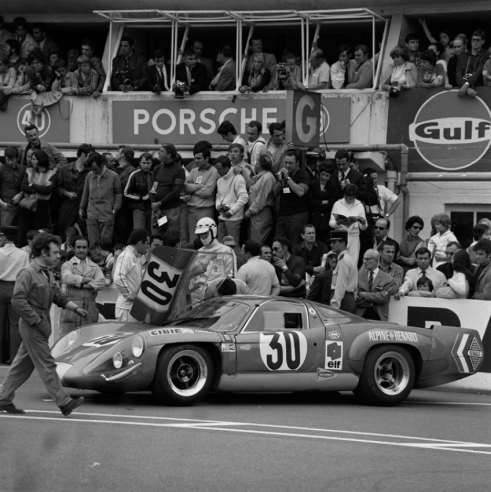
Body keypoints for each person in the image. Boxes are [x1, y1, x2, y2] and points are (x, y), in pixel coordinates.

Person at [0, 233, 87, 416]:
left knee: (21, 366)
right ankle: (63, 402)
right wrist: (36, 320)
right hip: (33, 325)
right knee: (47, 364)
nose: (58, 256)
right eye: (55, 252)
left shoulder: (46, 273)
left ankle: (3, 399)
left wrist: (75, 309)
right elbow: (18, 301)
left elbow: (58, 295)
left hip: (39, 324)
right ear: (42, 252)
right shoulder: (28, 273)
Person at [60, 235, 105, 338]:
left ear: (88, 249)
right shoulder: (67, 265)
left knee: (88, 341)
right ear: (73, 248)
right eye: (78, 247)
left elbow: (101, 283)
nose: (81, 250)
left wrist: (81, 286)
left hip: (90, 307)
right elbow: (67, 278)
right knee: (68, 341)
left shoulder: (95, 266)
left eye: (84, 247)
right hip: (71, 306)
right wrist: (89, 281)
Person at [79, 152, 122, 246]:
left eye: (95, 169)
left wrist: (115, 209)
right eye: (92, 169)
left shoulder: (114, 176)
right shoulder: (89, 175)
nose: (93, 171)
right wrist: (82, 208)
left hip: (107, 215)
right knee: (93, 244)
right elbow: (85, 193)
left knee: (105, 244)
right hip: (92, 214)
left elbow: (119, 194)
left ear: (102, 164)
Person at [0, 226, 29, 363]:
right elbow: (25, 274)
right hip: (16, 288)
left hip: (1, 287)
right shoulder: (23, 254)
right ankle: (14, 357)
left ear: (4, 237)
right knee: (15, 325)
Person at [18, 150, 57, 246]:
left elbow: (48, 190)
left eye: (34, 159)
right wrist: (40, 188)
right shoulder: (29, 171)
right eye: (31, 158)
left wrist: (32, 185)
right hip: (27, 206)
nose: (31, 161)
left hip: (42, 207)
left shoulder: (51, 173)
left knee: (40, 233)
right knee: (24, 231)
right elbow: (23, 187)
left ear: (41, 160)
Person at [56, 143, 94, 237]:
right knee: (63, 232)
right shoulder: (64, 169)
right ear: (83, 154)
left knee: (87, 234)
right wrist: (66, 193)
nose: (91, 159)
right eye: (90, 156)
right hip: (67, 205)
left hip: (84, 206)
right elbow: (57, 187)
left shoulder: (91, 171)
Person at [183, 142, 218, 243]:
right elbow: (185, 187)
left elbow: (207, 192)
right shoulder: (194, 171)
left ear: (207, 158)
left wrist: (192, 189)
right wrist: (200, 186)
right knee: (193, 241)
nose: (196, 160)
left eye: (199, 158)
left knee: (206, 241)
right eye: (195, 158)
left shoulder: (213, 171)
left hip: (205, 211)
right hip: (191, 212)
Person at [274, 150, 310, 249]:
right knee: (279, 245)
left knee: (294, 245)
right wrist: (280, 181)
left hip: (297, 215)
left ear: (297, 163)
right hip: (282, 215)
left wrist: (288, 178)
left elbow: (300, 192)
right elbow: (275, 193)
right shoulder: (284, 175)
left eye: (290, 163)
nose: (287, 165)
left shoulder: (303, 175)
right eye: (286, 163)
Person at [113, 228, 150, 322]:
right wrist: (130, 295)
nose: (148, 247)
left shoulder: (134, 256)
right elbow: (118, 277)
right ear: (140, 243)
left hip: (131, 307)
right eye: (147, 243)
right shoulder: (126, 256)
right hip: (126, 308)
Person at [150, 143, 185, 236]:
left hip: (172, 210)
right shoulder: (157, 168)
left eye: (161, 151)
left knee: (172, 237)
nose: (158, 153)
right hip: (157, 210)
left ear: (169, 155)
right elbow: (152, 189)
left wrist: (159, 203)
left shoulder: (179, 170)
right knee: (156, 236)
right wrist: (154, 204)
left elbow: (176, 192)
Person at [329, 184, 367, 265]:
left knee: (353, 262)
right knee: (338, 261)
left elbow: (363, 228)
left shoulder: (360, 205)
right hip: (339, 236)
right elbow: (331, 223)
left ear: (355, 196)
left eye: (351, 198)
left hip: (354, 236)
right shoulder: (337, 204)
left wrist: (363, 223)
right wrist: (337, 222)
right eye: (346, 197)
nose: (348, 200)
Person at [214, 155, 248, 245]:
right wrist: (218, 206)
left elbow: (244, 197)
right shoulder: (219, 180)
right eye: (216, 169)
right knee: (220, 246)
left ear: (226, 167)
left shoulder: (238, 178)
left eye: (219, 169)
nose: (217, 172)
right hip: (222, 217)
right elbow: (218, 196)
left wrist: (231, 212)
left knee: (233, 246)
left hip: (234, 219)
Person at [356, 249, 396, 321]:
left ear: (376, 260)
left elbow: (384, 297)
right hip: (360, 315)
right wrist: (374, 300)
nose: (364, 261)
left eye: (367, 259)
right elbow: (356, 297)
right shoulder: (359, 275)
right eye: (364, 259)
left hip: (379, 316)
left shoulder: (388, 278)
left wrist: (364, 295)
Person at [245, 154, 276, 245]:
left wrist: (247, 213)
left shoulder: (267, 178)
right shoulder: (261, 177)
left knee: (257, 243)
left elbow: (260, 201)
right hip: (255, 214)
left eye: (255, 161)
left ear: (259, 164)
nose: (254, 163)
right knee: (252, 241)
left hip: (261, 214)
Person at [329, 230, 357, 313]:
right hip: (347, 298)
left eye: (334, 242)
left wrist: (334, 306)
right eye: (331, 242)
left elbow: (340, 286)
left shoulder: (343, 260)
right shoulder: (348, 258)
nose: (331, 245)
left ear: (343, 244)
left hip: (343, 300)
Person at [124, 152, 153, 232]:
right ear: (140, 163)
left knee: (152, 232)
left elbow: (156, 189)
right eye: (144, 163)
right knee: (139, 232)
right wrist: (142, 198)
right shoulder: (134, 174)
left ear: (151, 163)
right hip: (138, 207)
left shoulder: (154, 175)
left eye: (148, 163)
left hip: (152, 207)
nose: (146, 165)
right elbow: (126, 193)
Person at [456, 29, 489, 98]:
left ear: (483, 41)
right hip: (464, 89)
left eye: (478, 40)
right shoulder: (463, 56)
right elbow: (458, 75)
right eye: (473, 39)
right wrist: (466, 88)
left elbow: (479, 73)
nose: (475, 42)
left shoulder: (486, 54)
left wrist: (466, 84)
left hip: (479, 90)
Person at [308, 161, 335, 244]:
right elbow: (309, 202)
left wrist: (317, 203)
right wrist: (323, 202)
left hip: (325, 222)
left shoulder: (333, 186)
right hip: (313, 219)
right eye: (322, 174)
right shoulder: (312, 184)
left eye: (327, 175)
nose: (324, 177)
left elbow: (331, 204)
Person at [0, 146, 26, 227]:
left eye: (12, 160)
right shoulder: (1, 170)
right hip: (7, 207)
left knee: (20, 234)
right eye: (8, 160)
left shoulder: (23, 169)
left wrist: (20, 194)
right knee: (5, 232)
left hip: (22, 206)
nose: (10, 162)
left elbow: (27, 185)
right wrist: (1, 203)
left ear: (17, 158)